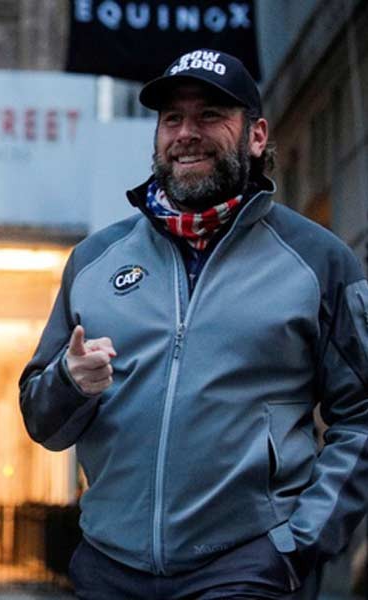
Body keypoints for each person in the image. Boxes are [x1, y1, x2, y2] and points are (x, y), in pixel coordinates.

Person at [20, 49, 368, 599]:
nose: (187, 133)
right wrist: (68, 382)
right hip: (110, 567)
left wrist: (302, 541)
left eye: (210, 116)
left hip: (247, 565)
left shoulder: (317, 261)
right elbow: (43, 422)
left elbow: (362, 415)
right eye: (172, 119)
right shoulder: (95, 261)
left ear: (256, 136)